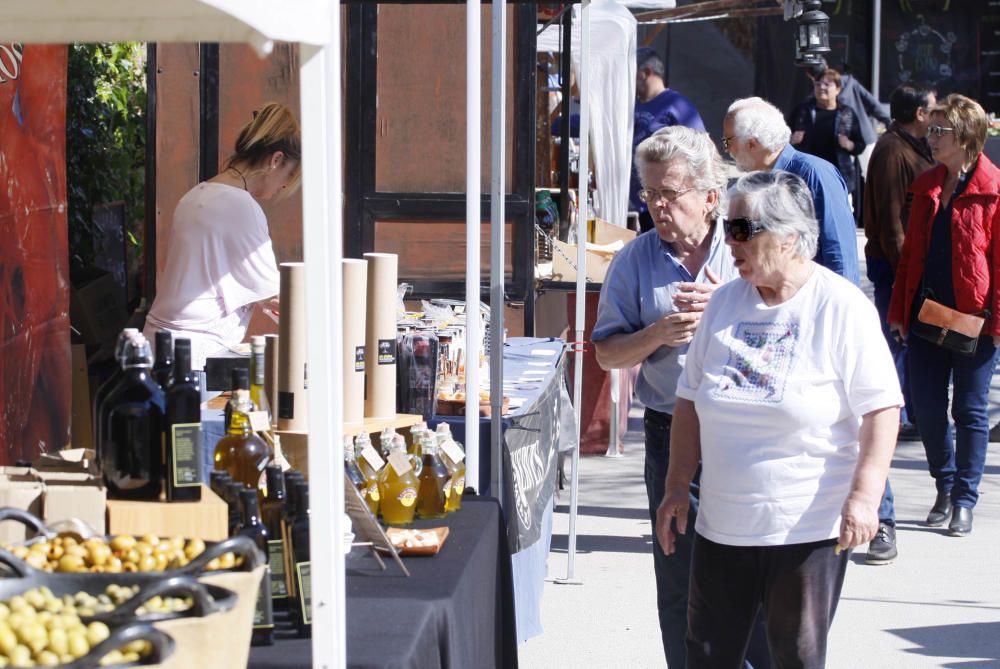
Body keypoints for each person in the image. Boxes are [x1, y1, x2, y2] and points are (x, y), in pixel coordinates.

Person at [657, 170, 901, 668]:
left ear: (790, 238)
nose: (730, 240)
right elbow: (688, 401)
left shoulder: (841, 307)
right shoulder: (724, 303)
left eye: (744, 229)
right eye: (728, 226)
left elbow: (881, 408)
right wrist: (677, 485)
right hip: (722, 525)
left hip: (804, 528)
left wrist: (865, 497)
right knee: (705, 654)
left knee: (794, 658)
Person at [592, 126, 743, 668]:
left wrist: (728, 302)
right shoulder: (634, 260)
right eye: (649, 193)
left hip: (748, 436)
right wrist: (657, 333)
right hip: (669, 435)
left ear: (709, 196)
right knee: (680, 577)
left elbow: (793, 313)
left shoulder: (749, 240)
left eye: (669, 193)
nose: (657, 205)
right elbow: (607, 355)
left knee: (752, 575)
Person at [888, 94, 1000, 537]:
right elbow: (910, 256)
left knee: (970, 412)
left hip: (975, 320)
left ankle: (966, 500)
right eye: (930, 130)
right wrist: (899, 310)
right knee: (929, 410)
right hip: (925, 314)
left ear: (967, 136)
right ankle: (945, 485)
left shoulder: (993, 188)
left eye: (940, 131)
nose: (931, 138)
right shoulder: (927, 184)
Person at [144, 102, 301, 371]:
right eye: (288, 175)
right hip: (191, 353)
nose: (284, 186)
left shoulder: (198, 194)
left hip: (156, 344)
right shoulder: (241, 206)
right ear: (275, 160)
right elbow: (274, 295)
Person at [859, 83, 936, 565]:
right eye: (932, 109)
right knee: (893, 352)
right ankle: (899, 413)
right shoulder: (892, 150)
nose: (935, 116)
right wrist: (907, 272)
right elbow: (889, 220)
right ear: (918, 113)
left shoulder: (912, 145)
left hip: (911, 270)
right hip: (897, 270)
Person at [723, 96, 860, 284]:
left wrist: (839, 307)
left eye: (727, 142)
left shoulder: (815, 173)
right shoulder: (757, 183)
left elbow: (839, 253)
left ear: (752, 143)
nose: (727, 150)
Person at [630, 47, 706, 233]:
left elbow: (703, 148)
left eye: (630, 74)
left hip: (666, 204)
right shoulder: (633, 105)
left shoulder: (677, 104)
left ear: (645, 73)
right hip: (640, 202)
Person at [791, 68, 867, 221]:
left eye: (827, 84)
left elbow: (860, 145)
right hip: (807, 175)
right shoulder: (803, 111)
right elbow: (783, 136)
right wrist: (791, 140)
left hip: (838, 176)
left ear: (838, 89)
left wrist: (848, 145)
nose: (821, 88)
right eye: (818, 84)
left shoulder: (847, 113)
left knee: (836, 217)